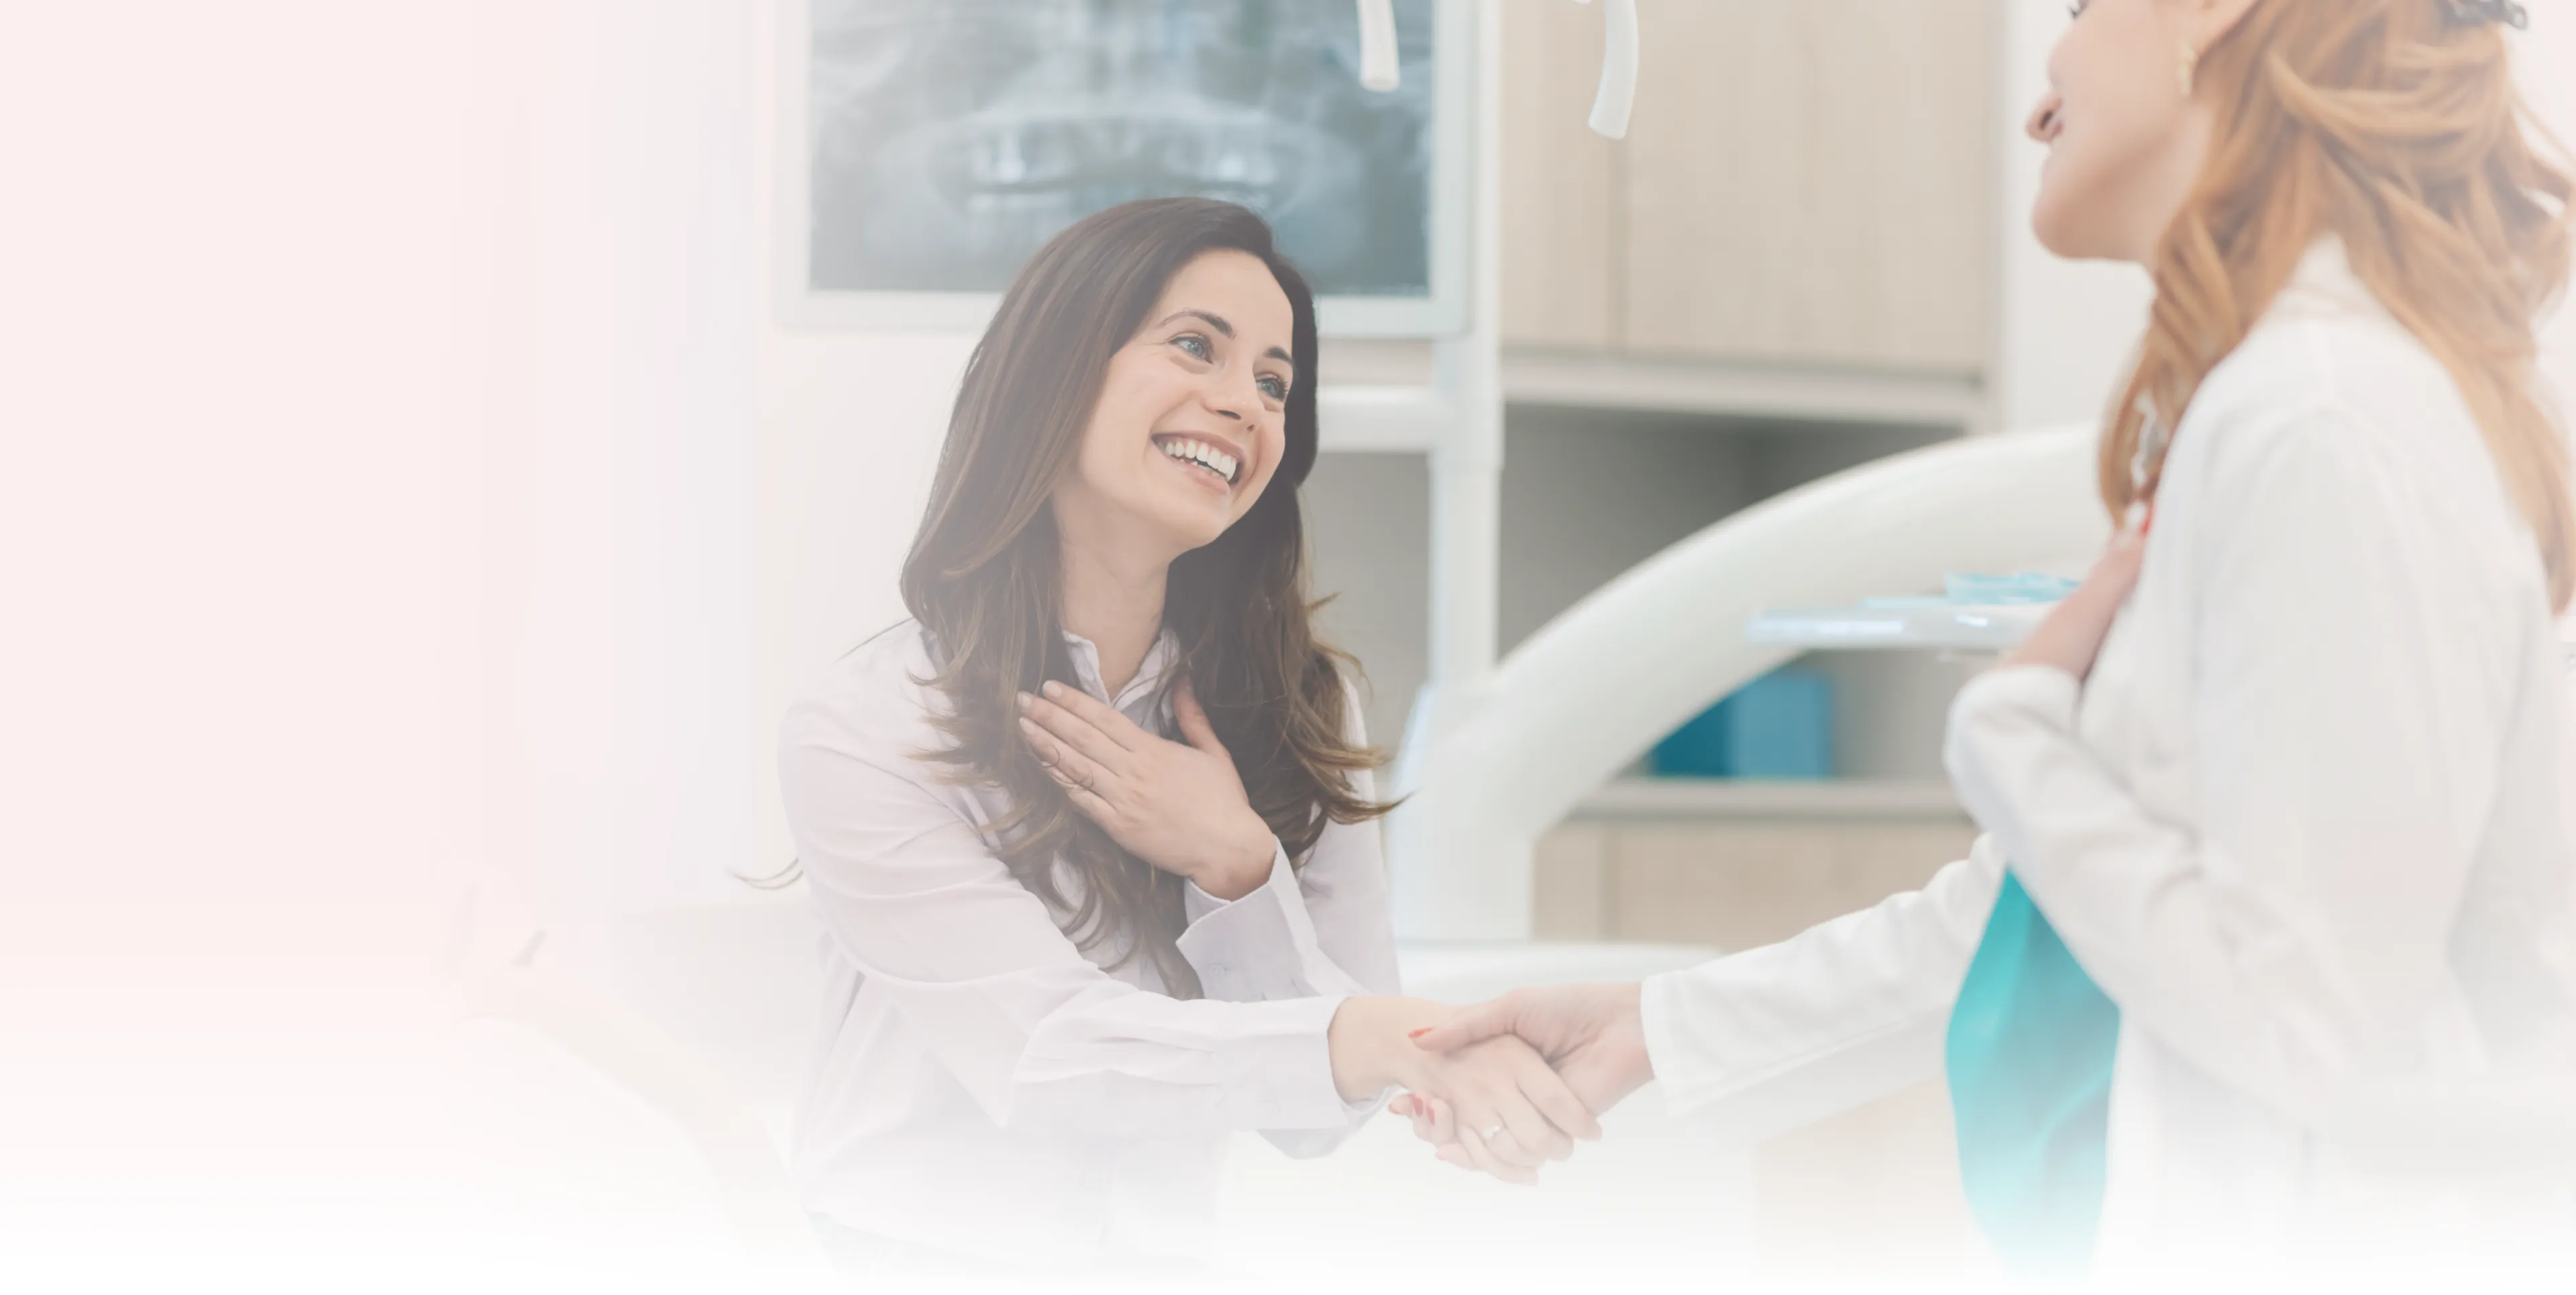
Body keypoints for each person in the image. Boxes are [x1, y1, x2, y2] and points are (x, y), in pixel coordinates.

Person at [1403, 0, 2576, 1278]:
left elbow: (2315, 1022)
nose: (2039, 96)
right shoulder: (2283, 407)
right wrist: (1656, 1028)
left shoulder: (2321, 422)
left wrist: (2014, 742)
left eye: (2075, 10)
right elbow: (2053, 921)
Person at [773, 197, 1598, 1277]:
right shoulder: (870, 725)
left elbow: (1316, 1120)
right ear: (1057, 369)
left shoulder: (1300, 707)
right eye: (1196, 345)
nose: (1245, 403)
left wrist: (1238, 865)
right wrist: (1379, 1037)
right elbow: (1049, 1057)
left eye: (1274, 383)